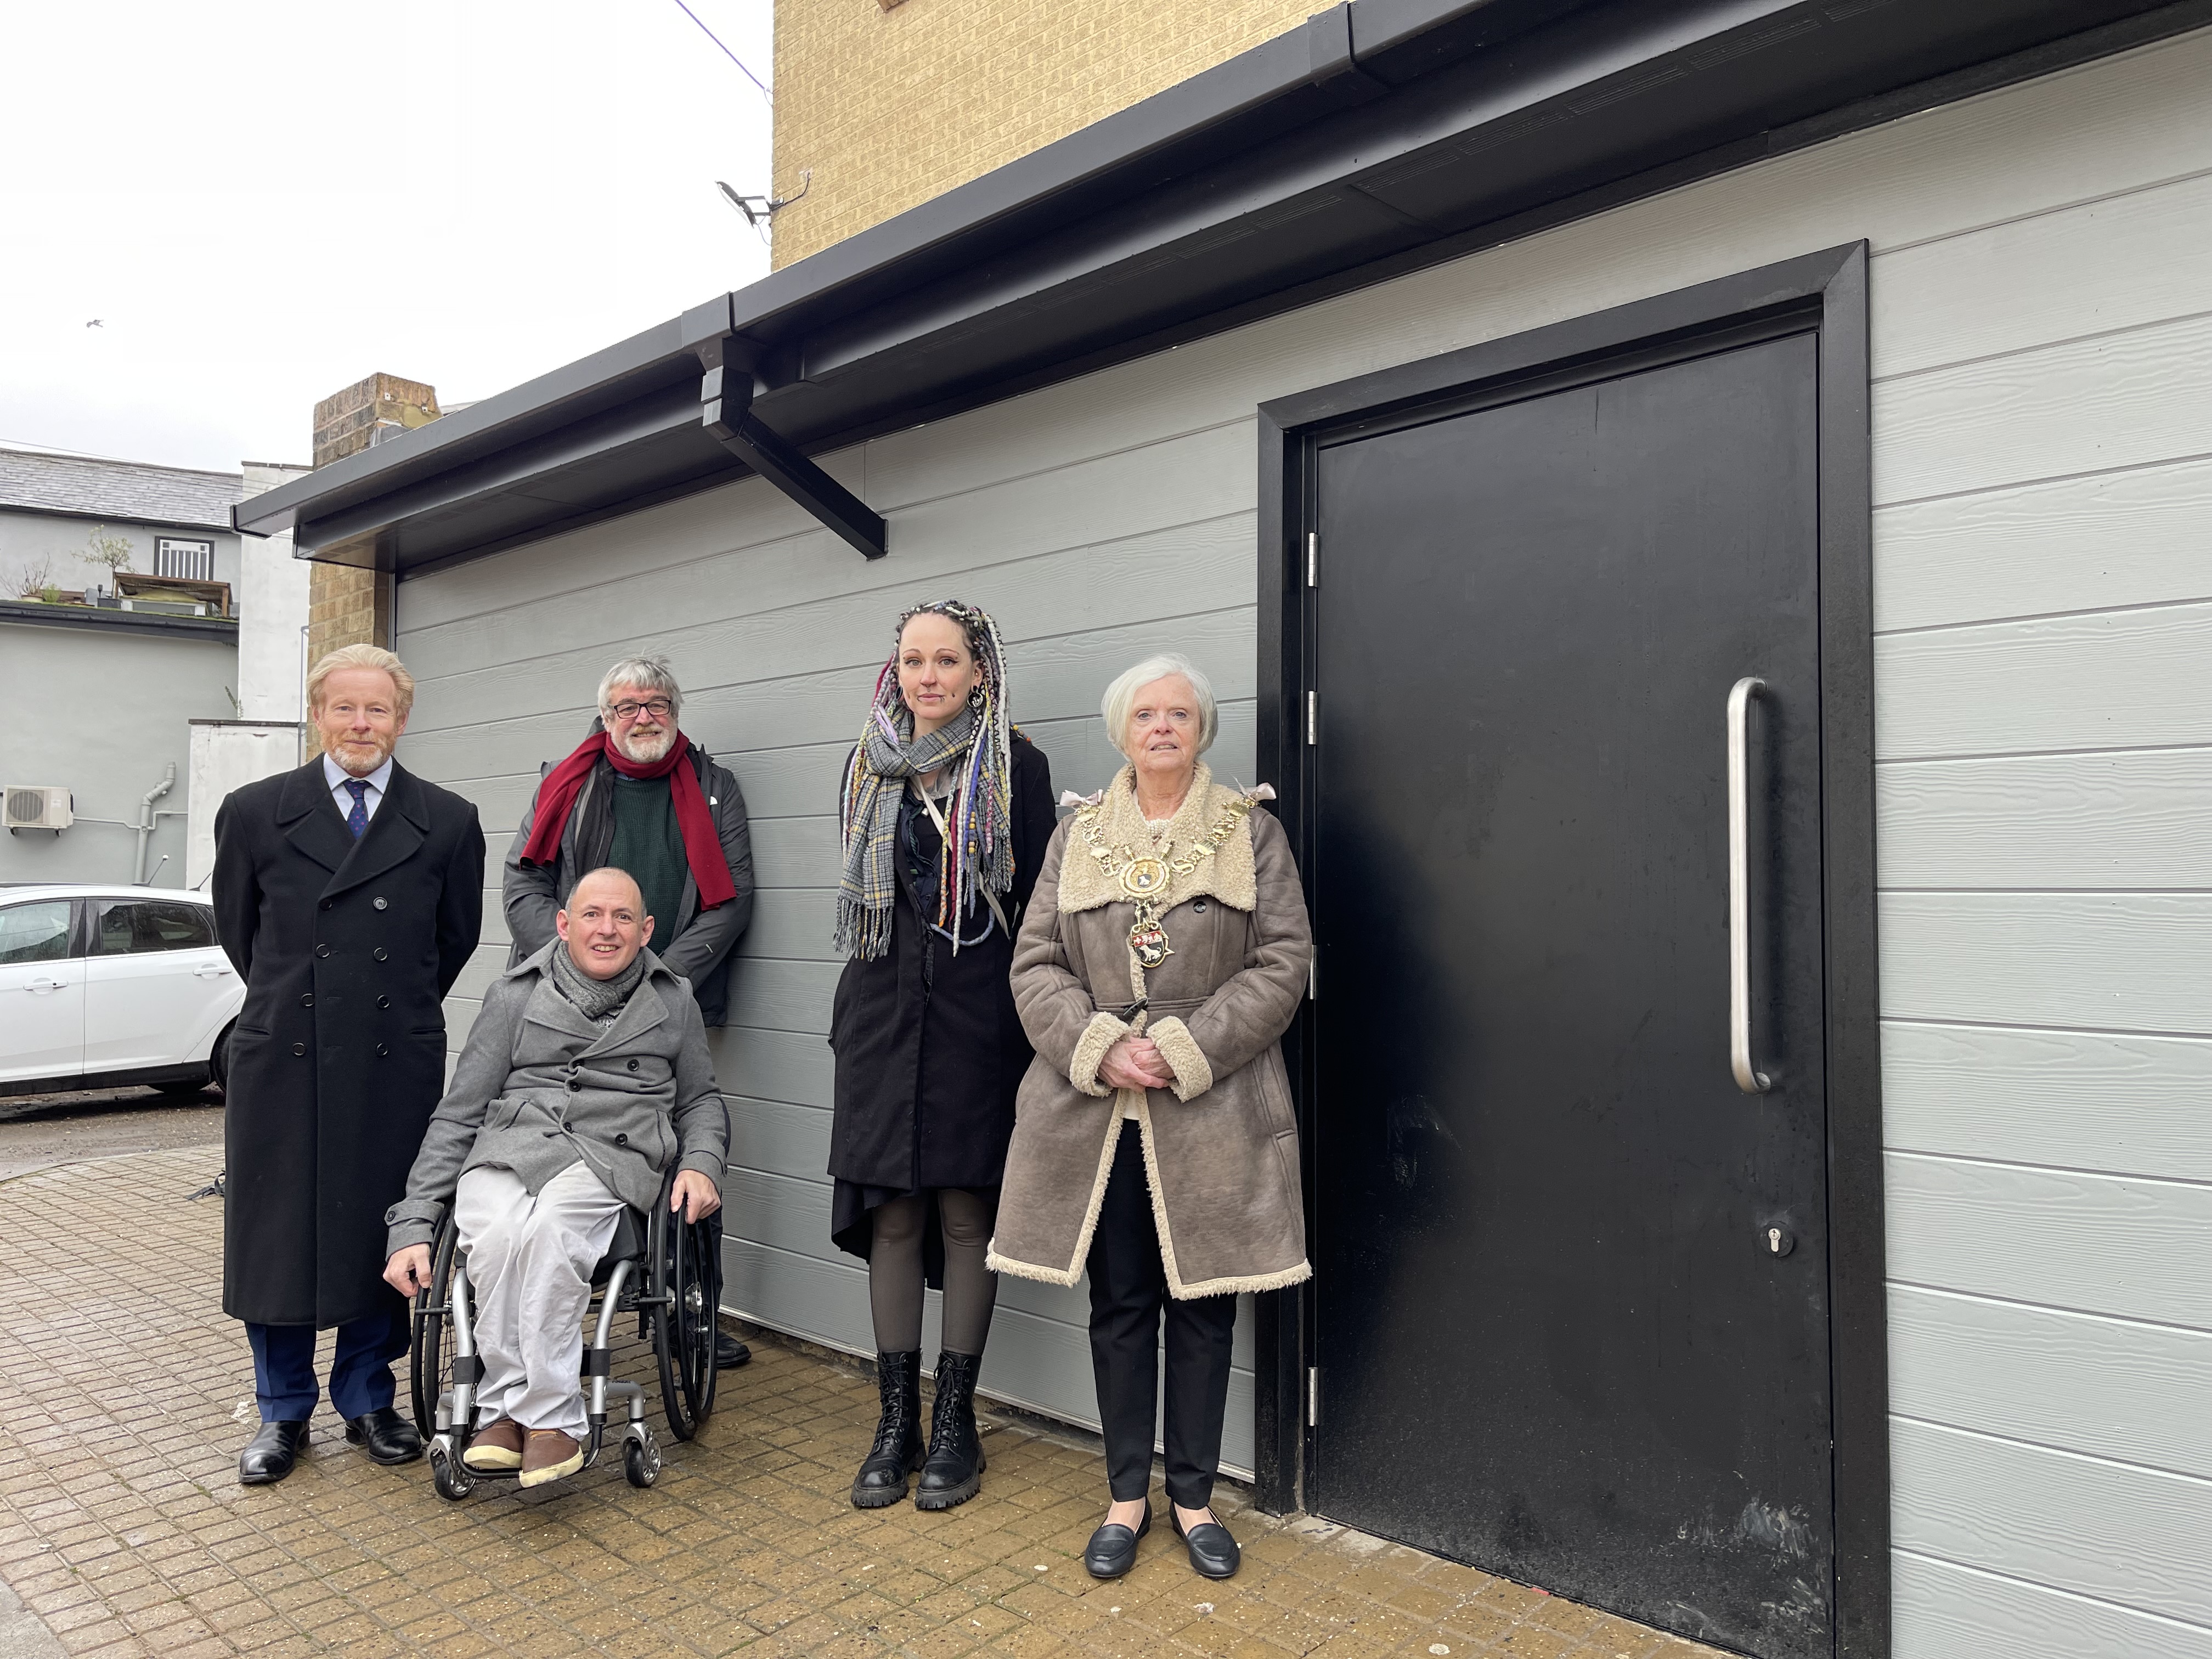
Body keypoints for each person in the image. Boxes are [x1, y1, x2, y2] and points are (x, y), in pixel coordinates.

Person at [990, 653, 1313, 1581]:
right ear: (1121, 730)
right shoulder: (1078, 835)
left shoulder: (1250, 831)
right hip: (1102, 1120)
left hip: (1211, 1109)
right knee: (1121, 1304)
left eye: (1179, 712)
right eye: (1146, 713)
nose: (1162, 725)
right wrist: (1099, 1043)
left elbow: (1281, 963)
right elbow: (1036, 963)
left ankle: (1195, 1497)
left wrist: (1178, 1047)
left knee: (1205, 1313)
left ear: (1200, 729)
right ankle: (1125, 1496)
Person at [211, 644, 485, 1486]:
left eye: (378, 711)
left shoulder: (448, 819)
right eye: (344, 708)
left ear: (402, 720)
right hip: (283, 1057)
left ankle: (370, 1400)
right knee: (277, 1238)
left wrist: (390, 1011)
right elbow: (239, 932)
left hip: (389, 1058)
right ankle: (281, 1412)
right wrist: (294, 1004)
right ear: (318, 714)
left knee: (386, 1230)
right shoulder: (255, 812)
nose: (360, 725)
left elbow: (454, 941)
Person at [383, 867, 728, 1487]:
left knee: (549, 1232)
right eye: (592, 915)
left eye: (624, 918)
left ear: (646, 930)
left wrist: (702, 1164)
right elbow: (460, 1111)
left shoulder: (673, 998)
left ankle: (548, 1418)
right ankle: (503, 1411)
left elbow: (700, 1100)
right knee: (493, 1237)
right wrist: (411, 1223)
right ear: (564, 925)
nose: (607, 929)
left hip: (609, 1150)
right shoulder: (515, 995)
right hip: (513, 1144)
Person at [829, 600, 1055, 1510]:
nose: (928, 675)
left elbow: (1039, 904)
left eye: (947, 659)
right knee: (891, 1211)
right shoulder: (862, 765)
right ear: (897, 669)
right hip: (881, 1014)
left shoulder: (1018, 764)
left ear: (978, 671)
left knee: (967, 1212)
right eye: (914, 658)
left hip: (975, 1014)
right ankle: (896, 1419)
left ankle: (955, 1419)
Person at [504, 654, 755, 1369]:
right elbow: (524, 881)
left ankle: (691, 1310)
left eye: (655, 703)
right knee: (568, 1132)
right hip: (565, 997)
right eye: (627, 706)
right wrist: (568, 966)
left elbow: (730, 897)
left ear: (675, 708)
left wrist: (659, 981)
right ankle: (557, 1287)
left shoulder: (714, 788)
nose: (642, 716)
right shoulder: (567, 781)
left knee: (682, 1140)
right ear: (607, 717)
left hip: (667, 999)